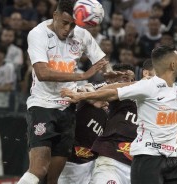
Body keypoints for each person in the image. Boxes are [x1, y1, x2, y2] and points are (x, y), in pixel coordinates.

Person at [61, 19, 177, 183]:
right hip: (143, 159)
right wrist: (82, 95)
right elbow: (113, 92)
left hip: (170, 160)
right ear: (172, 65)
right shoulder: (147, 86)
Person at [17, 0, 114, 183]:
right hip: (42, 106)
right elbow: (42, 73)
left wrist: (112, 74)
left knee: (53, 179)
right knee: (39, 169)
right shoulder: (38, 34)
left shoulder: (82, 35)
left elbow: (102, 62)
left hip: (68, 109)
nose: (68, 29)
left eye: (73, 24)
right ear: (55, 15)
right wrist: (82, 76)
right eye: (64, 23)